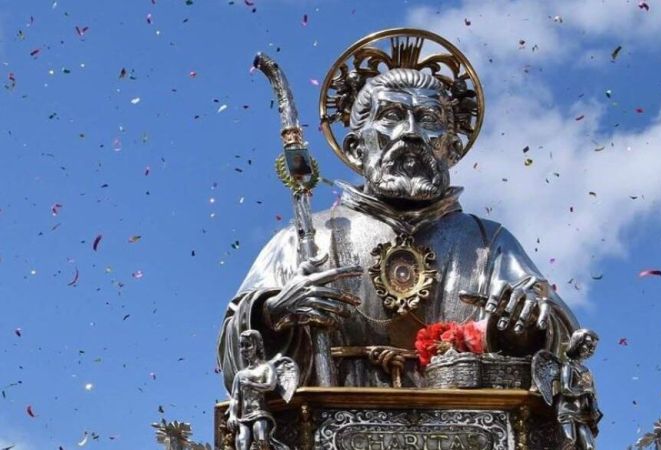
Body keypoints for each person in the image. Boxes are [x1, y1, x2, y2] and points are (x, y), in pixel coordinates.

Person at [218, 32, 585, 392]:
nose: (410, 133)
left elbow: (564, 343)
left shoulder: (489, 245)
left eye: (428, 119)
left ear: (452, 149)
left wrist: (522, 331)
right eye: (392, 115)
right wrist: (272, 312)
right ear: (354, 147)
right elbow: (233, 351)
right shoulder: (306, 241)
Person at [557, 329, 602, 450]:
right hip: (567, 412)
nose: (590, 350)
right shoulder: (568, 366)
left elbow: (592, 395)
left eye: (593, 347)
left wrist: (594, 408)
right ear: (577, 343)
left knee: (589, 447)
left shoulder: (587, 372)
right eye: (587, 345)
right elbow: (565, 389)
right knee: (569, 440)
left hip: (583, 414)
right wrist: (585, 391)